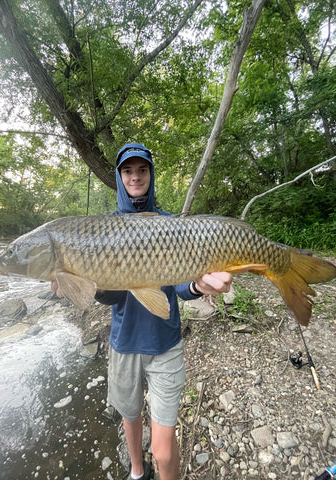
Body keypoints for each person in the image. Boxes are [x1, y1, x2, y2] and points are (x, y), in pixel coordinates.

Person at [53, 143, 232, 480]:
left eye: (142, 170)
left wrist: (198, 286)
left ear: (151, 175)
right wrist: (88, 286)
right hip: (124, 344)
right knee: (130, 414)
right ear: (120, 178)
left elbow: (179, 286)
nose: (135, 177)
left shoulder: (171, 226)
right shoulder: (101, 232)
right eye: (127, 171)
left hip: (165, 345)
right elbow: (112, 300)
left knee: (164, 454)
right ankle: (137, 470)